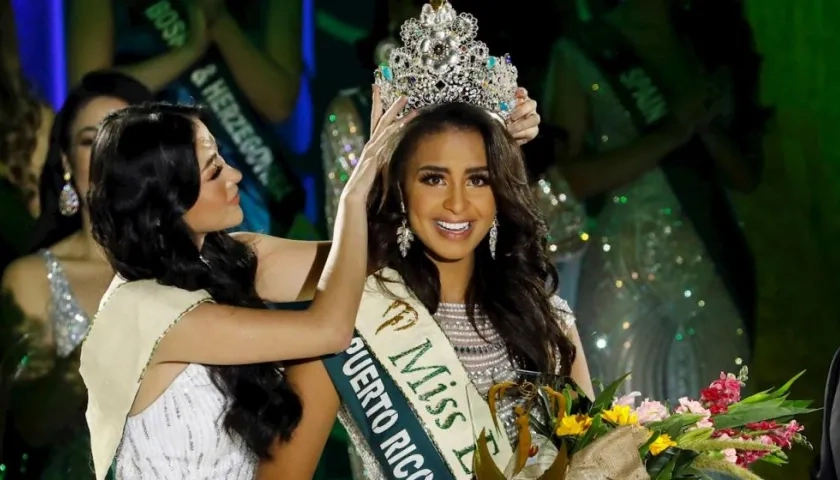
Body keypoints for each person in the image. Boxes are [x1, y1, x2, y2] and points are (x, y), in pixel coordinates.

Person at [264, 3, 593, 479]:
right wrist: (358, 198)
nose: (458, 204)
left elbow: (595, 464)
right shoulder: (346, 326)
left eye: (478, 179)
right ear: (400, 187)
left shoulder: (546, 320)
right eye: (434, 179)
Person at [80, 96, 406, 479]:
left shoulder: (227, 260)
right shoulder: (141, 310)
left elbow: (363, 264)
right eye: (214, 170)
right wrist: (353, 195)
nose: (234, 175)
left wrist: (397, 159)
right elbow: (330, 331)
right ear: (170, 198)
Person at [541, 0, 770, 402]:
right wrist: (672, 131)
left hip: (711, 261)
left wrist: (704, 126)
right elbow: (570, 178)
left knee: (719, 430)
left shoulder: (714, 42)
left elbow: (746, 176)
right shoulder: (585, 47)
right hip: (623, 268)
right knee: (626, 424)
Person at [1, 71, 153, 479]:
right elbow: (29, 426)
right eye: (91, 140)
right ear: (67, 162)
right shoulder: (34, 278)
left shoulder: (199, 269)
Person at [67, 0, 310, 236]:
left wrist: (219, 20)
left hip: (261, 198)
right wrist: (189, 50)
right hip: (160, 193)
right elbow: (91, 96)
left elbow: (279, 104)